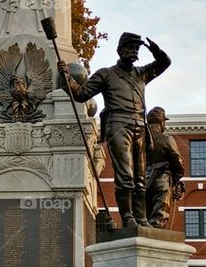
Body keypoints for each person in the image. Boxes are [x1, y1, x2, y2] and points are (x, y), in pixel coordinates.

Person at [59, 33, 171, 231]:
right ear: (120, 50)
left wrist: (155, 50)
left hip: (140, 126)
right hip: (118, 125)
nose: (134, 52)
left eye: (137, 49)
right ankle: (127, 217)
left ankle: (141, 218)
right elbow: (82, 94)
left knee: (140, 179)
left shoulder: (142, 73)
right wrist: (66, 78)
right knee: (126, 176)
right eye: (130, 47)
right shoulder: (106, 74)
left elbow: (164, 63)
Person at [145, 107, 185, 229]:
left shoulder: (138, 140)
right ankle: (155, 236)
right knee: (159, 215)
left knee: (143, 214)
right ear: (161, 122)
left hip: (141, 180)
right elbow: (177, 162)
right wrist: (176, 180)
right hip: (161, 178)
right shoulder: (166, 139)